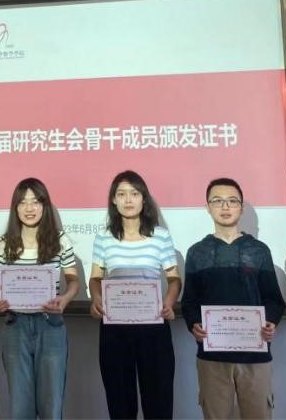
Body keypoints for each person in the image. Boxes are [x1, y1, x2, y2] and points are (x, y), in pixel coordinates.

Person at [180, 178, 286, 419]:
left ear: (241, 207)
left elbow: (273, 299)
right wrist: (194, 324)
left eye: (232, 201)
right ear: (207, 207)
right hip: (212, 356)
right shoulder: (197, 252)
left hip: (255, 354)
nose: (225, 206)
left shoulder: (259, 250)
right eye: (218, 201)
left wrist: (270, 322)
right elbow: (189, 301)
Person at [89, 170, 181, 420]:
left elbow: (174, 279)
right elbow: (95, 278)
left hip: (153, 326)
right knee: (120, 403)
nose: (128, 200)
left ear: (143, 198)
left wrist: (169, 302)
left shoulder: (160, 235)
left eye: (134, 193)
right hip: (115, 328)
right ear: (113, 200)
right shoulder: (104, 237)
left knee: (158, 402)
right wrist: (96, 298)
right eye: (121, 194)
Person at [0, 178, 80, 419]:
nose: (29, 208)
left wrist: (64, 299)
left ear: (45, 206)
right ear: (15, 207)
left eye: (35, 202)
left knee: (52, 406)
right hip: (15, 326)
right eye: (23, 202)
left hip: (50, 324)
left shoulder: (60, 240)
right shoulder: (3, 245)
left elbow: (73, 281)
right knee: (20, 406)